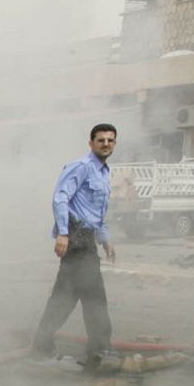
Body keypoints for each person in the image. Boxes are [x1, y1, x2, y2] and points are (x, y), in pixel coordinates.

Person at [31, 124, 118, 365]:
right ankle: (101, 350)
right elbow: (60, 197)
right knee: (93, 297)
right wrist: (63, 233)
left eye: (110, 140)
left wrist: (105, 239)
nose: (106, 144)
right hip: (76, 238)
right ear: (91, 143)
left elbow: (96, 211)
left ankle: (43, 345)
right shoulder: (81, 167)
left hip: (87, 239)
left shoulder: (103, 173)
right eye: (101, 140)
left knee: (66, 296)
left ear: (115, 144)